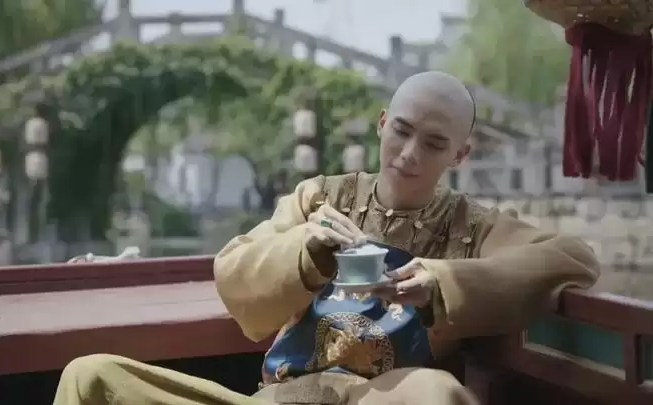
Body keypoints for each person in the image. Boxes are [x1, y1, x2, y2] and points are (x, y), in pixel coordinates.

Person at [52, 71, 600, 405]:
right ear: (382, 123)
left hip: (385, 397)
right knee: (91, 377)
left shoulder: (473, 227)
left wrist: (441, 283)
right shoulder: (318, 198)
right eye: (402, 131)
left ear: (460, 155)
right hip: (282, 396)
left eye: (434, 144)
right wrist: (306, 252)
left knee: (436, 395)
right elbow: (235, 277)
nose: (409, 154)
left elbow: (570, 258)